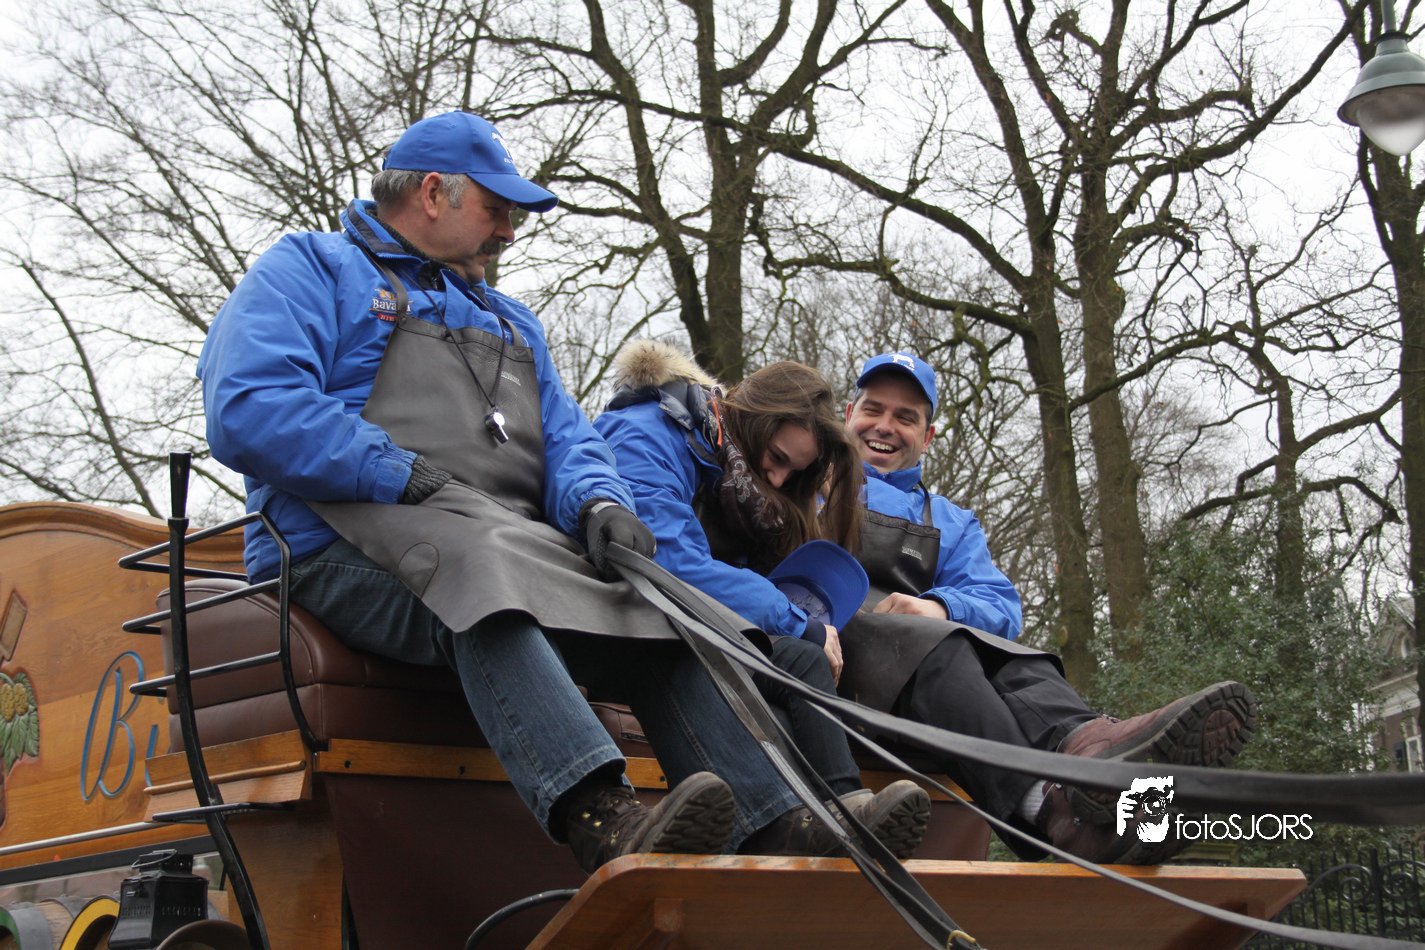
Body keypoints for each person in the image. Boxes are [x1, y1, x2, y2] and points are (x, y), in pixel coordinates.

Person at [197, 110, 834, 874]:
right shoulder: (310, 269)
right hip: (334, 543)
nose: (507, 231)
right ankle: (601, 817)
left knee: (651, 604)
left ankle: (773, 826)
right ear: (432, 193)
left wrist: (601, 503)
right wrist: (397, 472)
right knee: (477, 578)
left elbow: (567, 439)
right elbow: (250, 407)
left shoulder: (510, 321)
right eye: (496, 209)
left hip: (498, 538)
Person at [839, 351, 1258, 864]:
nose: (885, 426)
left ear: (927, 438)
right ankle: (1051, 810)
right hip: (842, 674)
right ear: (848, 415)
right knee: (941, 652)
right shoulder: (807, 488)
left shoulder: (952, 521)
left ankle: (1094, 755)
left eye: (905, 418)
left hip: (931, 682)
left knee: (1015, 665)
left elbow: (999, 605)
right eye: (873, 410)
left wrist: (941, 608)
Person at [593, 340, 930, 858]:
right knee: (796, 645)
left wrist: (804, 622)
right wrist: (794, 619)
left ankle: (846, 809)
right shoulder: (650, 433)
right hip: (627, 616)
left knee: (804, 659)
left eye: (792, 474)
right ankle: (781, 825)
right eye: (776, 460)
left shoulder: (729, 473)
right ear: (751, 420)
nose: (776, 479)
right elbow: (671, 560)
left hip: (684, 621)